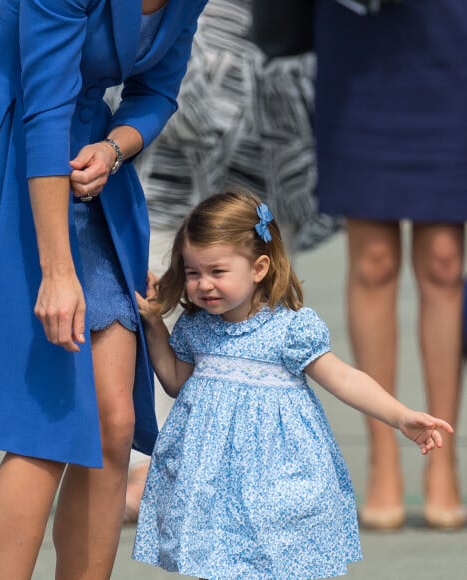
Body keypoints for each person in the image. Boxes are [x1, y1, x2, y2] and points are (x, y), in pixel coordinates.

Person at [0, 0, 209, 577]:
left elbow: (157, 91)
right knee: (47, 423)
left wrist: (115, 148)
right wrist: (57, 273)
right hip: (1, 147)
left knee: (114, 425)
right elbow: (46, 104)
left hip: (86, 160)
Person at [131, 189, 454, 579]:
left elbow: (344, 378)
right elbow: (176, 382)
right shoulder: (197, 327)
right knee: (214, 562)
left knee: (278, 563)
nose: (203, 285)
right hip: (212, 480)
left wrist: (400, 416)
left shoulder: (289, 328)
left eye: (217, 272)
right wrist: (152, 325)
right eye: (192, 272)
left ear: (259, 267)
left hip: (277, 480)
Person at [123, 0, 341, 522]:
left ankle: (226, 463)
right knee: (160, 256)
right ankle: (147, 460)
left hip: (268, 55)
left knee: (241, 245)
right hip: (185, 49)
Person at [314, 0, 466, 530]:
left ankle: (443, 459)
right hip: (361, 37)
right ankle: (383, 461)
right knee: (374, 259)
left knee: (445, 260)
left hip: (451, 35)